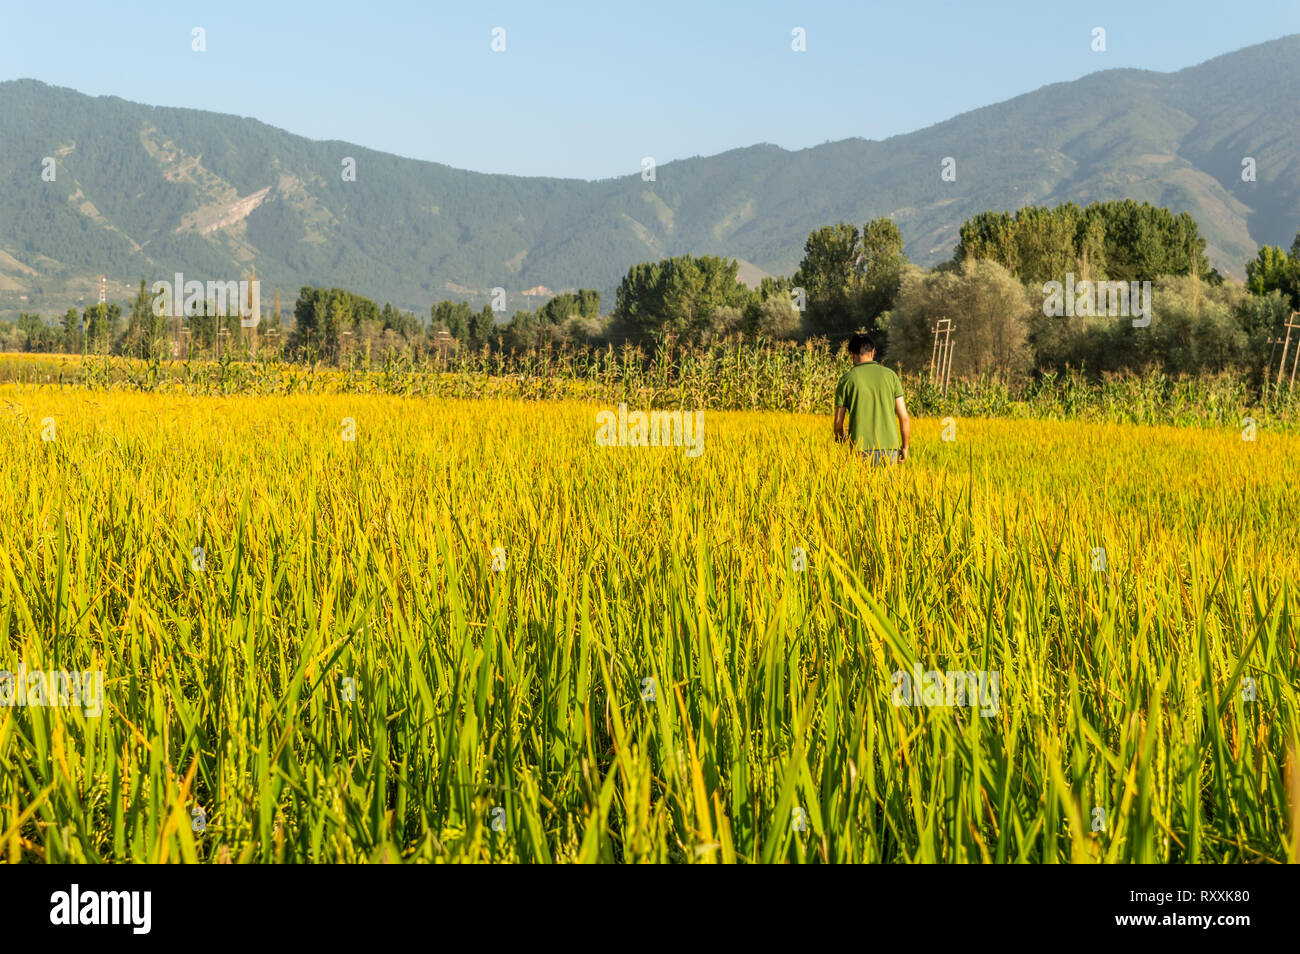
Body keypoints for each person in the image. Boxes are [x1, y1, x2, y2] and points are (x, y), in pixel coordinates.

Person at [833, 333, 910, 465]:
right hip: (889, 448)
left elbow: (838, 423)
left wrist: (841, 439)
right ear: (873, 352)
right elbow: (904, 417)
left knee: (862, 486)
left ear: (852, 354)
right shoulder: (891, 376)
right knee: (887, 486)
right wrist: (905, 446)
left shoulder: (847, 379)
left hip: (860, 449)